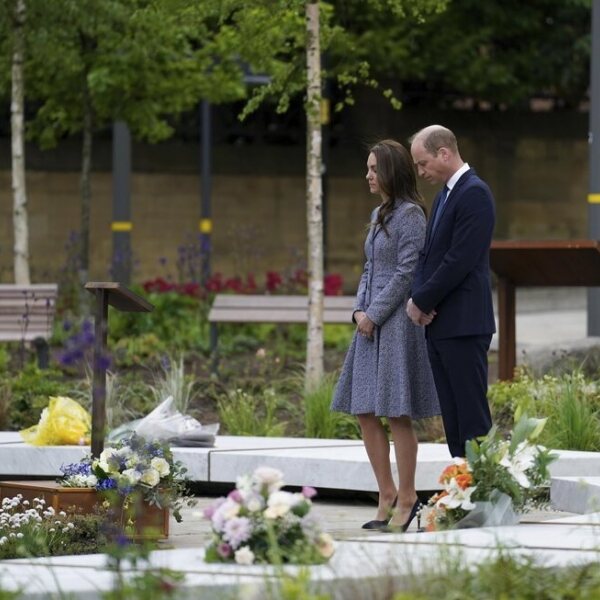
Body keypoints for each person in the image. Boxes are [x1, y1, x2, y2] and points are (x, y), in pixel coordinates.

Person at [331, 139, 440, 532]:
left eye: (374, 168)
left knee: (396, 412)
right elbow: (369, 268)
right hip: (369, 323)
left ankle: (408, 496)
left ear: (392, 171)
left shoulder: (411, 215)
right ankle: (386, 493)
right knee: (363, 409)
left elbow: (406, 273)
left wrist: (375, 314)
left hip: (395, 325)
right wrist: (359, 309)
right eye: (368, 168)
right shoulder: (379, 213)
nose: (368, 175)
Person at [407, 125, 496, 458]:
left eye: (423, 163)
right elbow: (428, 255)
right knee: (454, 421)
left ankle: (485, 496)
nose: (420, 171)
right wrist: (418, 298)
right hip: (441, 325)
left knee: (472, 419)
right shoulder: (444, 195)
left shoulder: (475, 193)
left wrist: (422, 300)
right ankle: (462, 490)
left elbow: (460, 259)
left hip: (464, 324)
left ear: (444, 153)